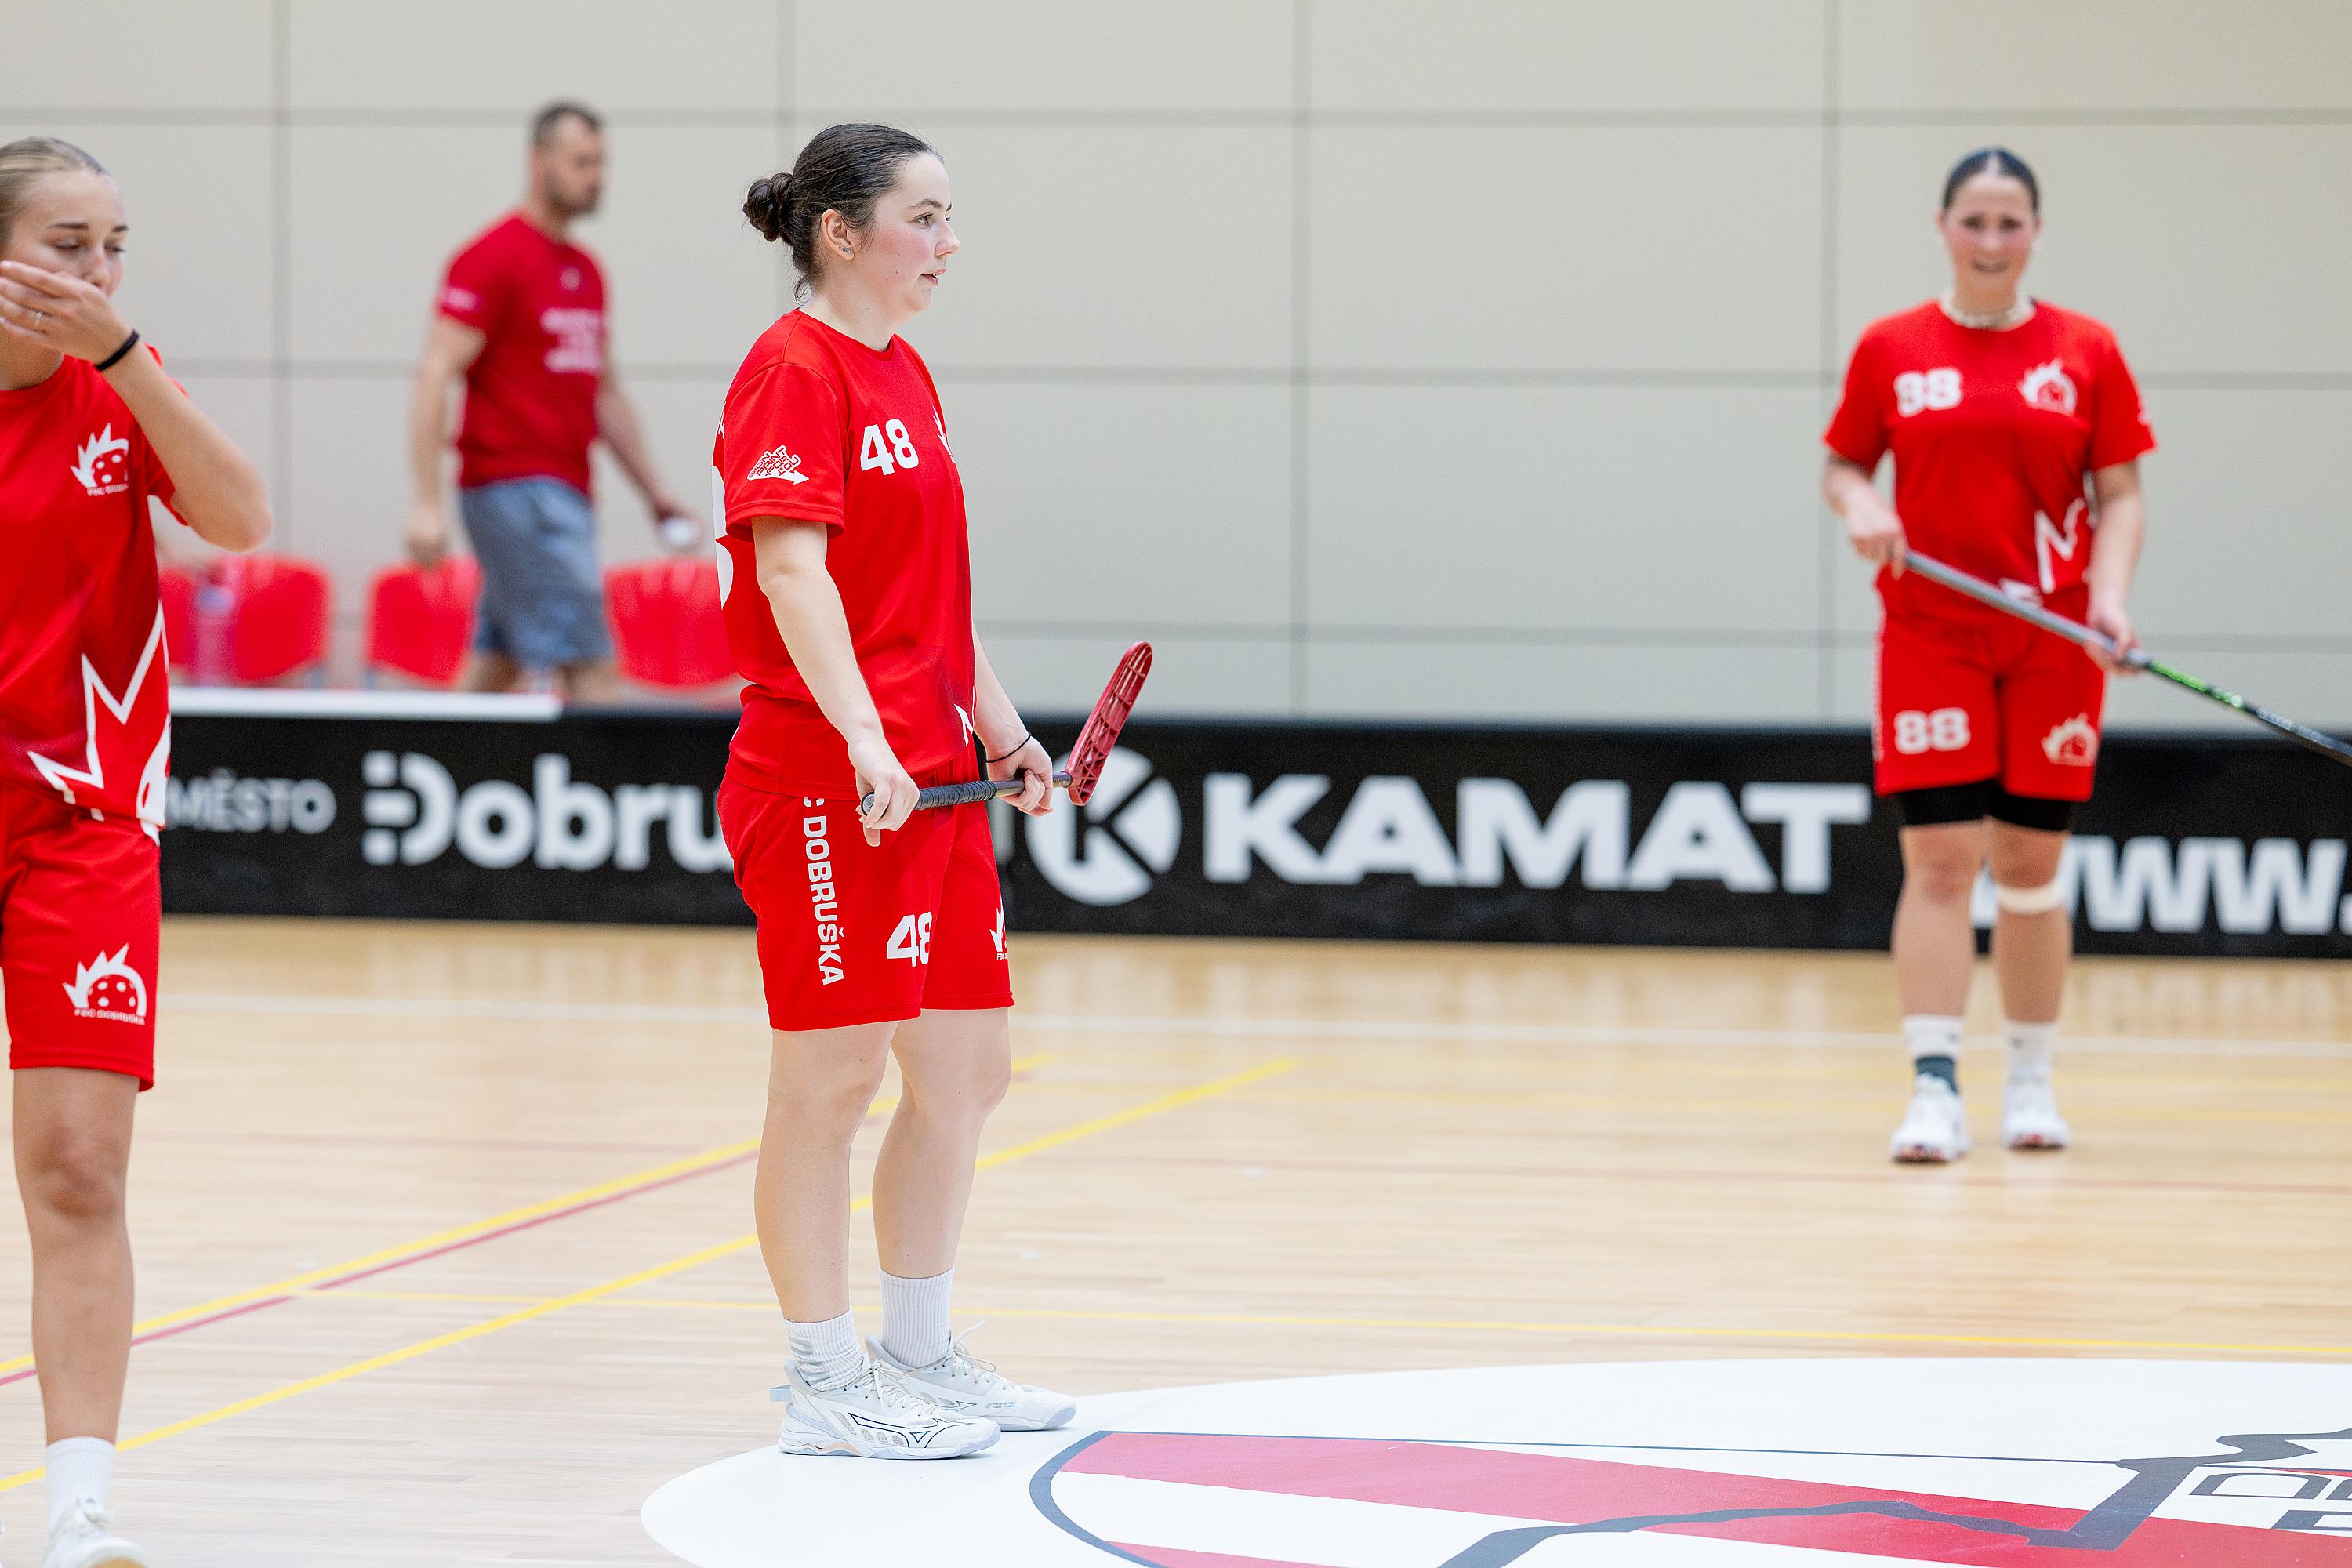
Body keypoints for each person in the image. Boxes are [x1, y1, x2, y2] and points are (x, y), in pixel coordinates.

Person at [712, 123, 1075, 1459]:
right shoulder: (792, 370)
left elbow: (929, 604)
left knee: (966, 1071)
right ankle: (823, 1379)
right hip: (828, 779)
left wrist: (1004, 734)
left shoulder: (905, 374)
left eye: (948, 218)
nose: (949, 244)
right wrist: (864, 737)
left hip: (936, 778)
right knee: (829, 1082)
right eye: (924, 218)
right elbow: (790, 571)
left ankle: (918, 1353)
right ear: (840, 232)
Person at [0, 136, 269, 1566]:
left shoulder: (121, 387)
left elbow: (240, 521)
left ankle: (79, 1511)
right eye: (67, 245)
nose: (97, 271)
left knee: (78, 1168)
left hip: (84, 826)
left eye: (114, 246)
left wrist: (124, 356)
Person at [1822, 147, 2154, 1163]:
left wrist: (2108, 600)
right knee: (1938, 861)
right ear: (1942, 228)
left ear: (2037, 233)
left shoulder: (2087, 349)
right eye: (1975, 221)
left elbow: (2120, 493)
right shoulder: (1891, 347)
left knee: (2028, 864)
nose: (1993, 241)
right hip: (1932, 632)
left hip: (2054, 640)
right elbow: (1843, 463)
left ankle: (2030, 1080)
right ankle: (1933, 1087)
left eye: (2012, 223)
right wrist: (1863, 503)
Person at [405, 101, 694, 702]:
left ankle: (436, 760)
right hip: (516, 492)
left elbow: (604, 391)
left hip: (567, 490)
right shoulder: (491, 258)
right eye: (581, 162)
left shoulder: (587, 271)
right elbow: (435, 372)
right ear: (538, 162)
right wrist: (427, 503)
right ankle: (614, 770)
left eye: (601, 163)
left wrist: (654, 492)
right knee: (592, 668)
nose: (595, 176)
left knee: (498, 664)